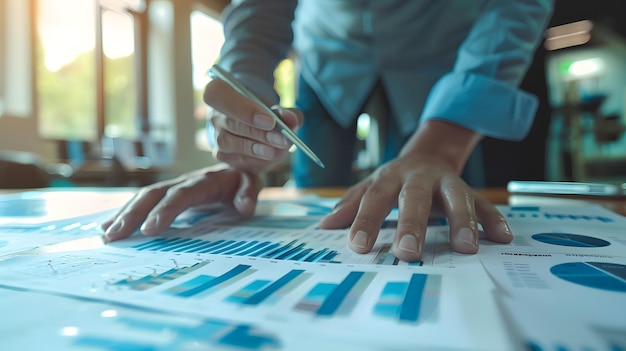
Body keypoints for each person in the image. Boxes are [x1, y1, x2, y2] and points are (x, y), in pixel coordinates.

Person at [103, 0, 554, 262]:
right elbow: (260, 11)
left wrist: (444, 142)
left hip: (443, 52)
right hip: (326, 56)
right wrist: (243, 135)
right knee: (325, 203)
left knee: (426, 195)